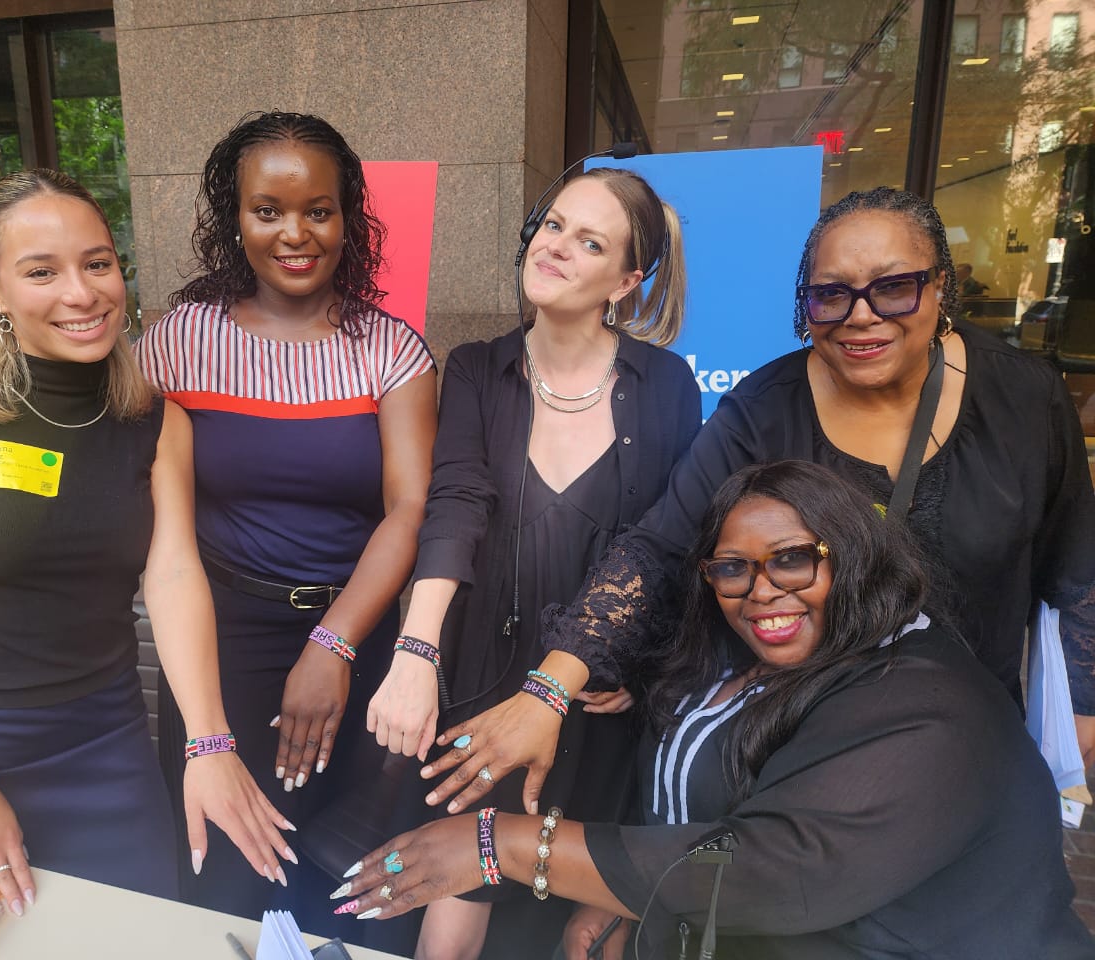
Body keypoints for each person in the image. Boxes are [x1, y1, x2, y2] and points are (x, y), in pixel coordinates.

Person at [0, 113, 437, 951]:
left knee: (317, 877)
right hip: (167, 659)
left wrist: (330, 648)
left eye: (97, 264)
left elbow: (398, 511)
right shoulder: (174, 343)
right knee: (198, 888)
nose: (295, 232)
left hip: (273, 662)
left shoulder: (369, 352)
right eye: (267, 210)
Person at [420, 185, 1095, 819]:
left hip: (971, 751)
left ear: (939, 286)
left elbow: (1076, 574)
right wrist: (550, 689)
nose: (861, 315)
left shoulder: (1025, 398)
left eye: (893, 288)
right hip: (804, 753)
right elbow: (659, 548)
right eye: (831, 295)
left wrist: (1084, 714)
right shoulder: (764, 410)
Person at [331, 461, 1095, 959]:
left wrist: (500, 843)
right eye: (732, 569)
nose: (762, 590)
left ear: (855, 553)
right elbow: (706, 808)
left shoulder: (929, 706)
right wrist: (640, 907)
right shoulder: (754, 655)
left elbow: (777, 868)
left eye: (794, 558)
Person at [0, 169, 294, 916]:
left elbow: (176, 576)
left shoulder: (158, 423)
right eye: (40, 272)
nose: (82, 293)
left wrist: (210, 743)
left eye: (97, 263)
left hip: (107, 743)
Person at [365, 167, 698, 960]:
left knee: (575, 902)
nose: (556, 247)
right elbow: (455, 503)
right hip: (483, 670)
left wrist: (638, 665)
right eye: (553, 226)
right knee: (458, 889)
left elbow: (670, 544)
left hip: (594, 687)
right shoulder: (479, 367)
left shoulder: (667, 386)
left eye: (590, 242)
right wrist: (416, 649)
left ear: (626, 280)